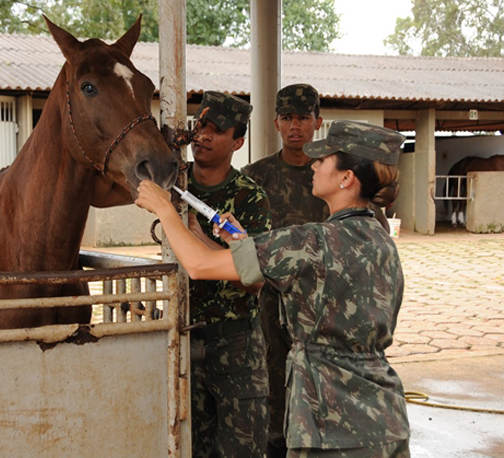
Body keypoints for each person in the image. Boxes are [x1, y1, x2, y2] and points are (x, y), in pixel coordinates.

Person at [136, 120, 411, 458]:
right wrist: (242, 245)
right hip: (387, 420)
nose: (313, 164)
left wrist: (164, 209)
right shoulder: (381, 239)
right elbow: (281, 274)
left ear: (346, 178)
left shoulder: (312, 240)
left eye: (323, 160)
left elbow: (199, 265)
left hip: (331, 426)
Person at [183, 91, 272, 458]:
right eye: (200, 125)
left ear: (238, 141)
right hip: (183, 339)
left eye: (216, 130)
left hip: (236, 344)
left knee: (241, 450)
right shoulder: (172, 183)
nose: (202, 135)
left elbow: (252, 282)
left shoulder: (249, 198)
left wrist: (204, 243)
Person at [241, 83, 327, 458]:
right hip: (268, 306)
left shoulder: (330, 176)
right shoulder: (255, 177)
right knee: (273, 384)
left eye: (303, 118)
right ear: (276, 123)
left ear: (317, 123)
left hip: (320, 307)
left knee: (320, 386)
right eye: (288, 118)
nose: (296, 126)